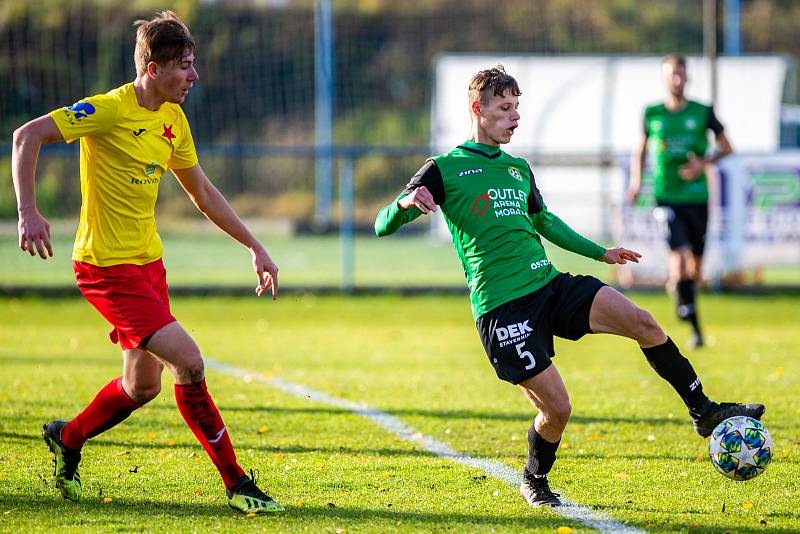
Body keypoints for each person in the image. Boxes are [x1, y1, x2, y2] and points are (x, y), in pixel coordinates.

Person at [374, 66, 763, 508]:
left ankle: (704, 412)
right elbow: (381, 224)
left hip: (550, 285)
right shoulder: (444, 169)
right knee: (557, 411)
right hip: (503, 309)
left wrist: (601, 253)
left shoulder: (517, 168)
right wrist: (405, 203)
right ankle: (534, 479)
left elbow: (545, 222)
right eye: (504, 108)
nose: (514, 117)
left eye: (517, 107)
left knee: (644, 322)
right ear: (477, 109)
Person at [12, 11, 283, 514]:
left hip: (148, 266)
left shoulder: (173, 118)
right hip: (106, 270)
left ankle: (68, 438)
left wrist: (254, 245)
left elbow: (201, 191)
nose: (194, 75)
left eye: (194, 64)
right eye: (185, 65)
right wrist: (28, 211)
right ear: (153, 69)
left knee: (142, 386)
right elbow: (26, 137)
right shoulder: (108, 110)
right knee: (190, 361)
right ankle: (237, 483)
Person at [627, 54, 733, 349]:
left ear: (687, 78)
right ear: (664, 77)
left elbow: (727, 147)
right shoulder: (652, 113)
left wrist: (703, 162)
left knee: (695, 271)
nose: (676, 79)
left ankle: (680, 291)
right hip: (667, 197)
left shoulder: (702, 112)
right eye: (671, 74)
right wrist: (636, 182)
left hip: (697, 198)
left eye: (680, 74)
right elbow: (641, 150)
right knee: (681, 256)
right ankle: (696, 330)